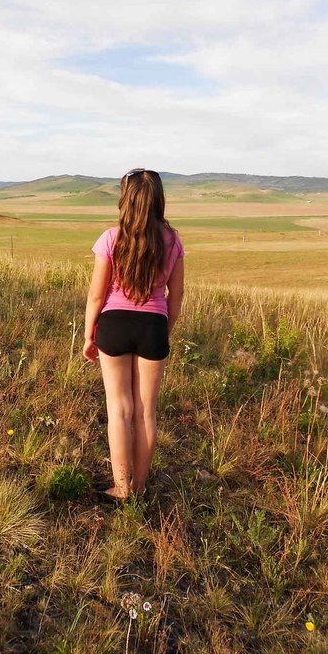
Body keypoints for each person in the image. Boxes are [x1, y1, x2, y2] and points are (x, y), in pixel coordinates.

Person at [83, 168, 185, 502]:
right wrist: (164, 330)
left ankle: (121, 487)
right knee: (145, 414)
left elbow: (96, 295)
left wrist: (88, 335)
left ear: (126, 200)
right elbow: (176, 296)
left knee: (119, 410)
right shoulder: (172, 241)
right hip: (153, 327)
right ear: (159, 200)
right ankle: (139, 487)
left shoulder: (111, 238)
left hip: (113, 325)